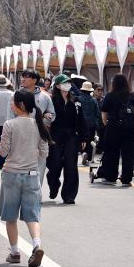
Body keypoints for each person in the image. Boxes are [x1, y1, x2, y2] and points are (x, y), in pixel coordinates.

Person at [0, 89, 50, 267]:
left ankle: (14, 252)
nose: (11, 105)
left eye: (13, 102)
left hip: (12, 174)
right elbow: (44, 152)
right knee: (32, 215)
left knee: (11, 216)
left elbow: (3, 151)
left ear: (21, 104)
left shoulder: (10, 124)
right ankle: (36, 244)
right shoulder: (39, 124)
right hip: (32, 175)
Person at [47, 74, 87, 204]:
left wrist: (84, 137)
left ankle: (69, 196)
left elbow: (81, 120)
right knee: (54, 164)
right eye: (64, 83)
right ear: (58, 85)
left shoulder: (76, 101)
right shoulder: (51, 100)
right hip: (55, 135)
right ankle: (54, 185)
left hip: (71, 136)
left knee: (71, 166)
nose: (67, 85)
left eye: (69, 82)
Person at [93, 74, 134, 187]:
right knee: (128, 154)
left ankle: (111, 177)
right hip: (129, 129)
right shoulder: (132, 95)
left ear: (114, 83)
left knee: (112, 153)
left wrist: (106, 124)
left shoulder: (110, 96)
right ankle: (126, 179)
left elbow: (104, 113)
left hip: (113, 127)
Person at [17, 70, 55, 186]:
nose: (23, 79)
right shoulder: (16, 95)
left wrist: (45, 119)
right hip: (21, 135)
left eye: (26, 77)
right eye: (22, 77)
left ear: (34, 80)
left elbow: (52, 114)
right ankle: (23, 189)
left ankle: (36, 189)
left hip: (40, 136)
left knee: (39, 164)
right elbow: (10, 117)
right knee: (21, 164)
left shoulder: (45, 97)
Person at [78, 81, 100, 165]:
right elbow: (97, 113)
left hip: (81, 124)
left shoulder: (78, 99)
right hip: (91, 124)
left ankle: (83, 152)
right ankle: (88, 158)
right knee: (90, 141)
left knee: (81, 140)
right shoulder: (93, 100)